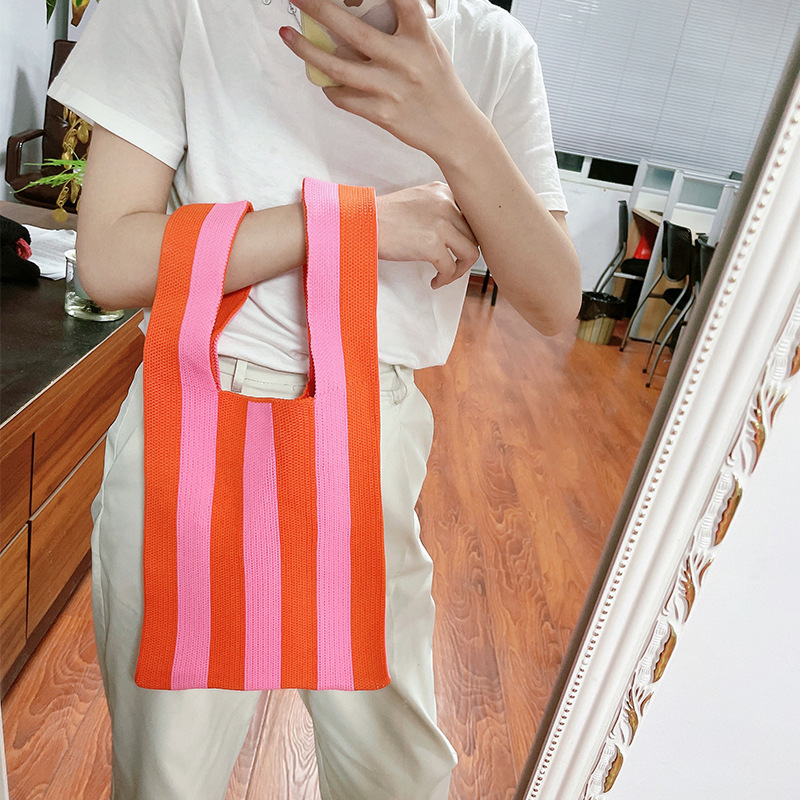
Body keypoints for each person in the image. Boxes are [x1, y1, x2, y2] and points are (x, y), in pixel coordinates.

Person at [48, 0, 581, 797]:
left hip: (373, 438)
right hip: (196, 422)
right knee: (169, 777)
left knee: (396, 777)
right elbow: (110, 260)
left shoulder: (489, 46)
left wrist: (455, 127)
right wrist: (351, 226)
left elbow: (553, 299)